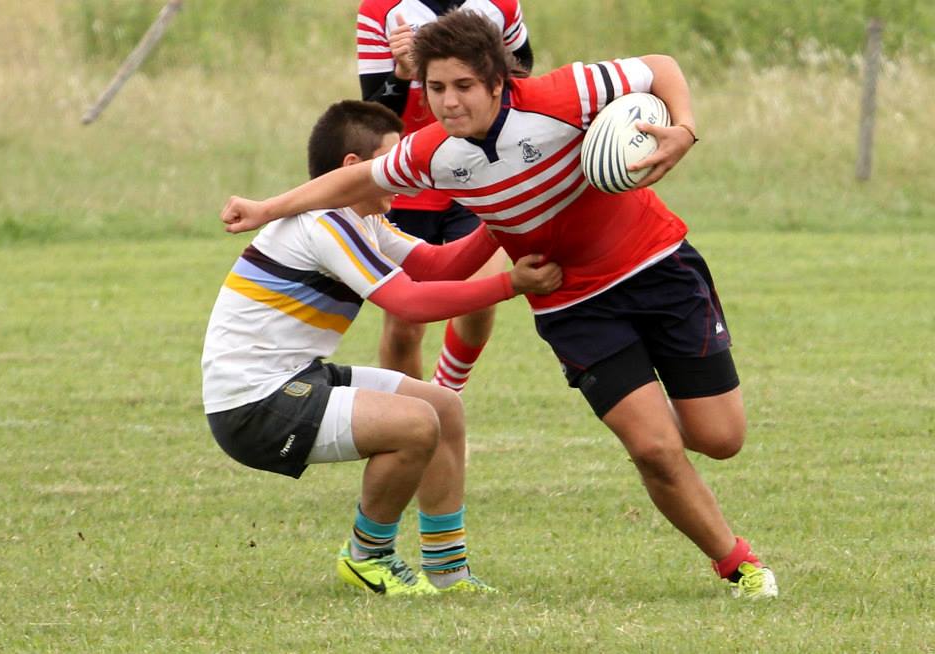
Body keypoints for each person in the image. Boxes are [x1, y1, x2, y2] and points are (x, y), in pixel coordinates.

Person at [220, 11, 779, 599]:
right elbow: (350, 182)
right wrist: (267, 208)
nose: (449, 103)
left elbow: (661, 69)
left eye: (463, 86)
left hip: (658, 267)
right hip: (572, 304)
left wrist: (683, 130)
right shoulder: (432, 152)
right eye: (436, 88)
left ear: (496, 81)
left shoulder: (562, 95)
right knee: (653, 450)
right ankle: (738, 565)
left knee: (719, 438)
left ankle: (667, 425)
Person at [203, 99, 561, 596]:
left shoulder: (363, 217)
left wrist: (503, 214)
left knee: (443, 407)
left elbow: (438, 266)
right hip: (254, 405)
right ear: (356, 168)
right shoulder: (324, 223)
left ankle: (447, 569)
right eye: (393, 159)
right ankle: (367, 556)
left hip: (296, 379)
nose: (405, 172)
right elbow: (408, 302)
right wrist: (510, 285)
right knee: (416, 426)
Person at [356, 0, 534, 392]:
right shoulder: (379, 10)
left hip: (475, 172)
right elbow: (372, 119)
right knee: (405, 326)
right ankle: (411, 419)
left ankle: (445, 396)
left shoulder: (501, 6)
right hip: (408, 184)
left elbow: (521, 78)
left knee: (480, 297)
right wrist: (401, 74)